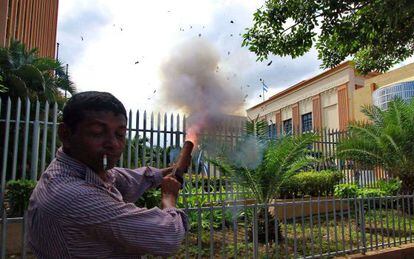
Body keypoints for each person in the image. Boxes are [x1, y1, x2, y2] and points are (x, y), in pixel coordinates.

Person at [27, 91, 188, 258]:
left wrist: (170, 171)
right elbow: (168, 237)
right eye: (97, 132)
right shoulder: (75, 196)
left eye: (120, 134)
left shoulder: (76, 171)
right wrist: (169, 198)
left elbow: (129, 179)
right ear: (65, 134)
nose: (113, 143)